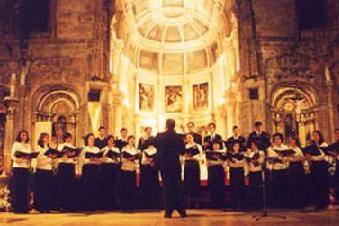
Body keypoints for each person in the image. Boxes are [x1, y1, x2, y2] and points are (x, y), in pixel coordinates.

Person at [146, 119, 186, 218]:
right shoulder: (178, 137)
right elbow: (182, 151)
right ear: (174, 126)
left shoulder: (160, 136)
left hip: (164, 166)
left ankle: (168, 211)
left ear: (166, 125)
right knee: (178, 187)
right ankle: (181, 210)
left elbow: (149, 142)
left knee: (167, 188)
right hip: (175, 166)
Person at [305, 131, 330, 210]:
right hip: (315, 166)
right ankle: (318, 202)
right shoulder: (312, 146)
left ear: (320, 136)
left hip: (322, 166)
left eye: (316, 135)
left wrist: (312, 157)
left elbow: (322, 156)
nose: (315, 137)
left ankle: (325, 203)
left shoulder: (324, 145)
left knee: (323, 184)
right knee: (316, 184)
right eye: (314, 135)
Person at [11, 130, 33, 213]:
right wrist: (21, 158)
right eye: (22, 135)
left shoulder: (28, 145)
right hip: (17, 167)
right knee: (17, 188)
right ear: (19, 136)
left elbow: (30, 155)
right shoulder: (16, 144)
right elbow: (13, 156)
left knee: (24, 188)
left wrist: (28, 158)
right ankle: (17, 208)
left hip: (25, 168)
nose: (24, 136)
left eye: (25, 135)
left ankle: (24, 208)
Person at [139, 128, 160, 210]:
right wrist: (150, 161)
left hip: (154, 170)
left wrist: (153, 161)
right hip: (147, 171)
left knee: (154, 187)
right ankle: (147, 204)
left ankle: (155, 203)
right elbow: (143, 161)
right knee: (147, 187)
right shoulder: (145, 151)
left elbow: (159, 160)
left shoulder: (156, 151)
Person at [34, 133, 55, 213]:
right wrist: (48, 158)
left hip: (48, 170)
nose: (47, 139)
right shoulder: (38, 148)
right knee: (41, 189)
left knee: (48, 189)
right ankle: (40, 207)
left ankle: (47, 206)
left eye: (48, 137)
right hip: (41, 170)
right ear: (41, 139)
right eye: (45, 137)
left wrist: (53, 158)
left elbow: (52, 160)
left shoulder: (49, 148)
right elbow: (38, 159)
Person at [266, 133, 289, 208]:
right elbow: (270, 158)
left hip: (283, 169)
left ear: (281, 140)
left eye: (279, 139)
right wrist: (276, 158)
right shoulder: (270, 148)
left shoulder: (285, 147)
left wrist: (283, 159)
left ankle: (284, 203)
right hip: (275, 170)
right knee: (275, 187)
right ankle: (275, 204)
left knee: (284, 186)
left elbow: (287, 159)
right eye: (275, 139)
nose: (277, 140)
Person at [57, 132, 78, 211]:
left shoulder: (73, 147)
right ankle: (62, 205)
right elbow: (58, 156)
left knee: (71, 185)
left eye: (70, 138)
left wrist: (75, 158)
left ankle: (70, 205)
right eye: (67, 138)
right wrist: (64, 155)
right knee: (63, 185)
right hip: (63, 166)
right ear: (65, 138)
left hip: (71, 166)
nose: (69, 139)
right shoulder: (61, 146)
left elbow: (75, 158)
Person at [82, 133, 102, 211]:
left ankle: (95, 205)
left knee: (95, 186)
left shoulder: (97, 149)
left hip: (96, 168)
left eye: (93, 139)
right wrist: (90, 159)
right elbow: (82, 160)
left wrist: (98, 160)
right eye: (90, 138)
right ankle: (87, 205)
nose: (92, 140)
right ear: (87, 140)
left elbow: (100, 160)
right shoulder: (85, 149)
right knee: (88, 187)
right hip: (88, 168)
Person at [182, 133, 203, 208]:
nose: (189, 138)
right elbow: (181, 157)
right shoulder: (184, 146)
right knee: (187, 183)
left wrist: (194, 157)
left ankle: (196, 202)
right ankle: (188, 202)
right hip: (187, 165)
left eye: (190, 137)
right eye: (187, 137)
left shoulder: (198, 146)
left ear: (193, 138)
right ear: (186, 139)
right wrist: (186, 157)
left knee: (195, 182)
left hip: (195, 164)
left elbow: (201, 157)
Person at [120, 135, 140, 211]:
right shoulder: (124, 149)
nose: (132, 141)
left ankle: (131, 206)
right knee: (126, 188)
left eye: (133, 140)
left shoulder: (135, 150)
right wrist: (128, 159)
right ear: (128, 140)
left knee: (132, 188)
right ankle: (125, 206)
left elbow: (137, 160)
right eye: (130, 139)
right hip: (125, 169)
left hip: (132, 170)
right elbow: (122, 159)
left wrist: (134, 159)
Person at [100, 135, 121, 210]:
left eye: (112, 140)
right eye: (109, 140)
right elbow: (100, 159)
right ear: (107, 141)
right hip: (106, 168)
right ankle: (105, 204)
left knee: (114, 185)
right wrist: (103, 158)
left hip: (114, 167)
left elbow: (119, 160)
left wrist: (116, 159)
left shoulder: (116, 149)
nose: (111, 141)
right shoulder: (103, 149)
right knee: (106, 185)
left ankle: (114, 204)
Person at [226, 141, 247, 210]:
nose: (236, 147)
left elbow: (242, 163)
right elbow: (229, 164)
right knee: (233, 188)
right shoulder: (230, 154)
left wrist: (236, 162)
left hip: (240, 171)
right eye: (235, 146)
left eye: (237, 146)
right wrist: (233, 162)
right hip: (233, 171)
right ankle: (233, 205)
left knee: (240, 187)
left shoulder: (242, 154)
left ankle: (240, 205)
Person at [244, 141, 265, 209]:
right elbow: (247, 163)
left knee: (258, 189)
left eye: (254, 145)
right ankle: (253, 204)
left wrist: (255, 161)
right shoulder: (250, 153)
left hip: (258, 172)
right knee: (252, 189)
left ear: (257, 145)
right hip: (251, 172)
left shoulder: (261, 152)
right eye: (252, 145)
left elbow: (261, 162)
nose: (253, 146)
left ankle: (259, 205)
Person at [286, 136, 305, 209]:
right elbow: (287, 157)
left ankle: (299, 202)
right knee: (292, 184)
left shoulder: (298, 149)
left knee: (298, 184)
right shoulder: (289, 149)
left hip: (298, 167)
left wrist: (293, 158)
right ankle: (293, 202)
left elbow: (302, 158)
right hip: (291, 167)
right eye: (291, 141)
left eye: (293, 141)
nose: (292, 142)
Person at [206, 140, 226, 209]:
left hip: (220, 170)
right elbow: (208, 163)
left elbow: (223, 162)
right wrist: (217, 162)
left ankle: (221, 203)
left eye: (217, 144)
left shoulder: (223, 152)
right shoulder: (209, 153)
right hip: (212, 171)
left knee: (220, 187)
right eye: (214, 145)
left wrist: (216, 162)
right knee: (213, 187)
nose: (216, 146)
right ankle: (213, 203)